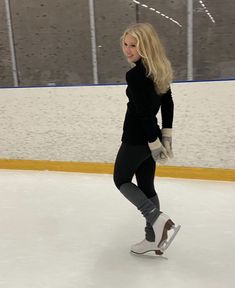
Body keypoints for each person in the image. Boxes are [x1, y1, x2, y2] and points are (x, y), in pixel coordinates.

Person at [113, 23, 181, 255]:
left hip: (136, 137)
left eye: (134, 45)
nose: (128, 50)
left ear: (146, 46)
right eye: (126, 44)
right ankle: (153, 239)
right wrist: (165, 137)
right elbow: (167, 103)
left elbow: (142, 113)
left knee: (121, 179)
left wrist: (154, 142)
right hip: (151, 135)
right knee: (146, 185)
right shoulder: (160, 68)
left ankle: (156, 218)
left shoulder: (135, 75)